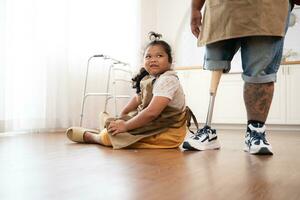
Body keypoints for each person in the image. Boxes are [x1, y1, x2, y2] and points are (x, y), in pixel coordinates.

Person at [183, 0, 293, 155]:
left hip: (268, 7)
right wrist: (195, 7)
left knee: (259, 72)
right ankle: (208, 130)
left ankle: (256, 132)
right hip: (221, 8)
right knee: (216, 64)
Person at [66, 32, 193, 149]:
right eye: (148, 56)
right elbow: (138, 98)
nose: (153, 59)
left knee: (113, 135)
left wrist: (125, 125)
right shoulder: (150, 79)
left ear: (170, 61)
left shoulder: (168, 80)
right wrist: (123, 115)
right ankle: (109, 125)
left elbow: (152, 113)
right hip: (155, 123)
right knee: (121, 122)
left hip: (168, 132)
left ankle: (94, 137)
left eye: (159, 56)